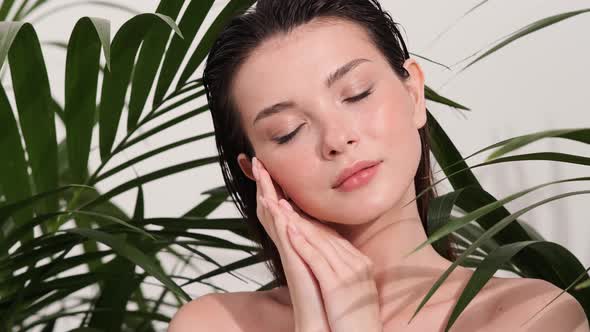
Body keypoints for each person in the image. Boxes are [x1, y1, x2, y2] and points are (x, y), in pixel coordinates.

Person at [168, 0, 590, 331]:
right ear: (254, 169)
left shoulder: (531, 316)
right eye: (288, 130)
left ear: (414, 95)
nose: (337, 139)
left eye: (356, 93)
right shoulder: (215, 324)